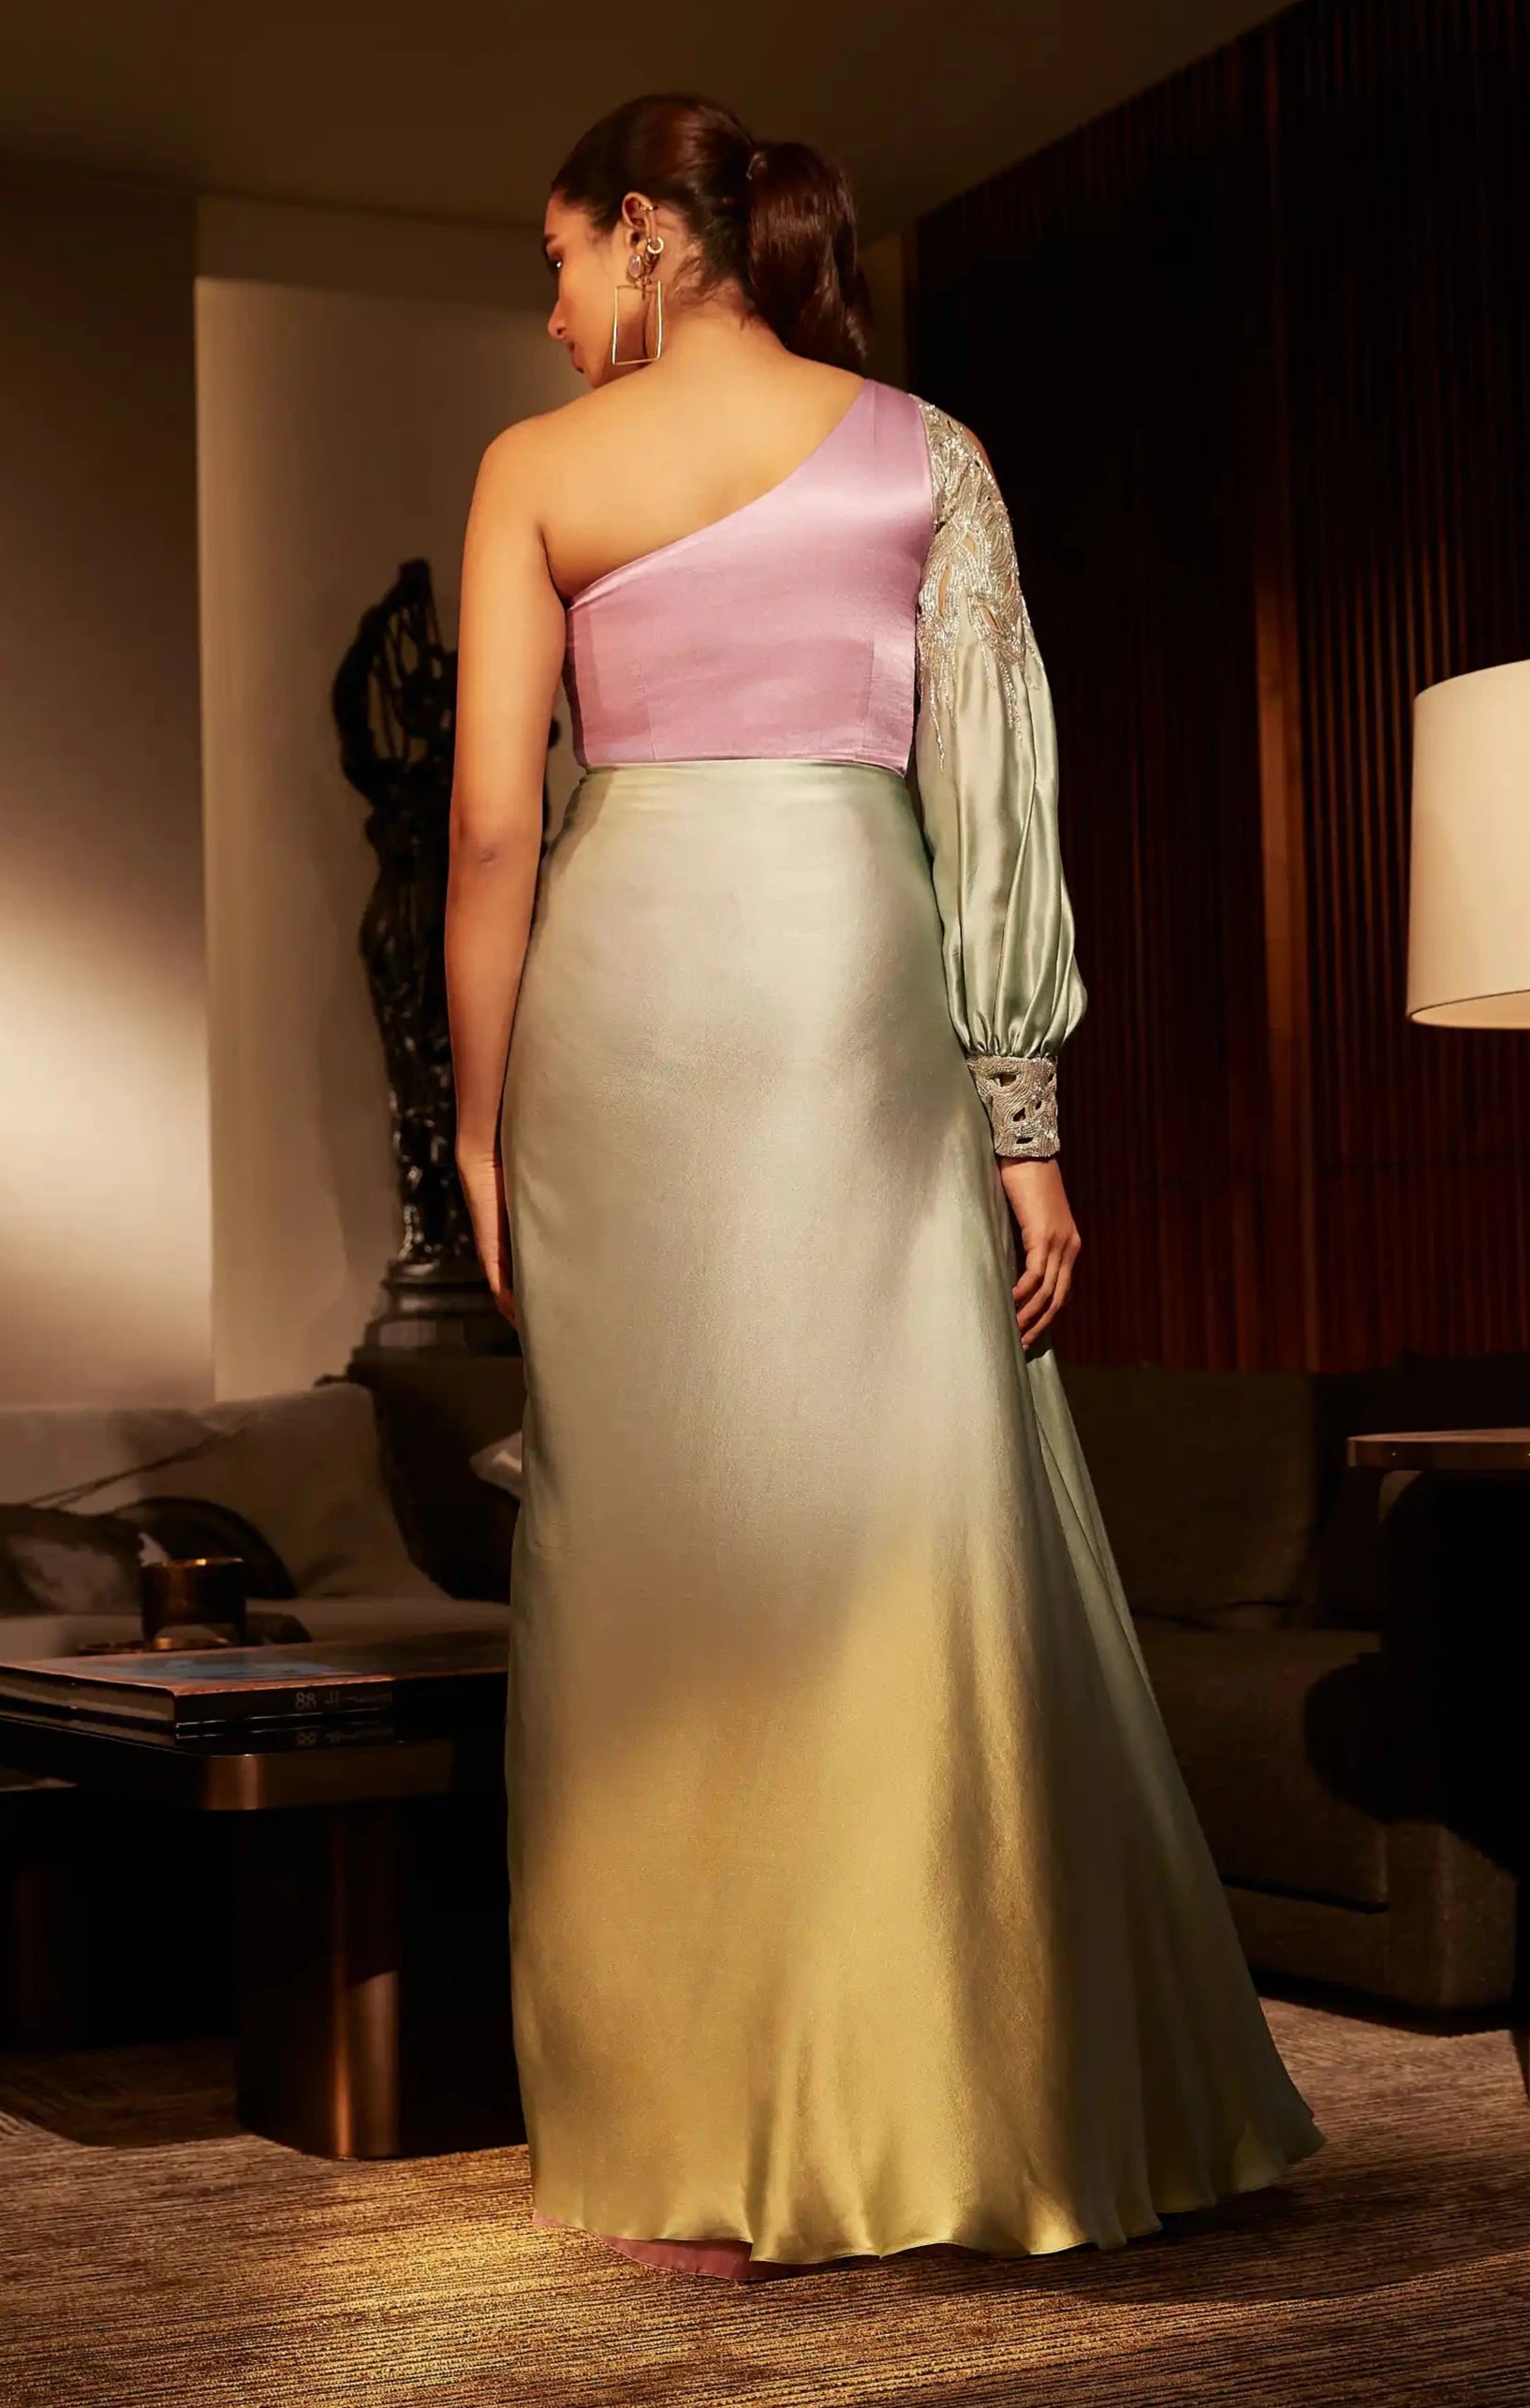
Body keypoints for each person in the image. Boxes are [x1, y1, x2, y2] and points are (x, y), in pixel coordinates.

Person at [444, 91, 1326, 2283]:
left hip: (626, 992)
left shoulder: (534, 471)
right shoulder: (925, 453)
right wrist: (1024, 1118)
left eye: (557, 260)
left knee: (658, 1556)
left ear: (646, 232)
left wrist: (474, 1118)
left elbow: (487, 832)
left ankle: (689, 2143)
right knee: (910, 1506)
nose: (547, 310)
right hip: (850, 963)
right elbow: (988, 792)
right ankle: (967, 2085)